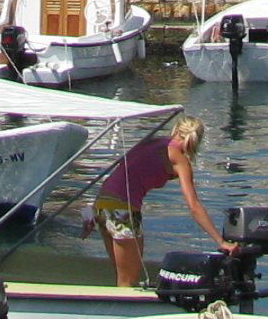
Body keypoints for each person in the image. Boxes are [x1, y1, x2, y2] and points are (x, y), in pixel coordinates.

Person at [88, 115, 227, 287]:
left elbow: (120, 173)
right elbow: (194, 206)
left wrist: (87, 216)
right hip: (122, 211)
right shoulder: (179, 159)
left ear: (176, 130)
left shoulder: (153, 141)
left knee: (122, 276)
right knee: (128, 281)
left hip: (101, 205)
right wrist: (221, 242)